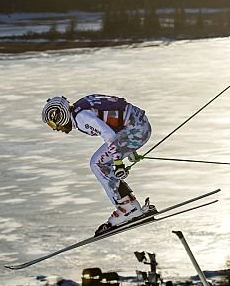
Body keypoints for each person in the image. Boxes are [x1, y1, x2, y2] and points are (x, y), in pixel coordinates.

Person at [41, 94, 155, 234]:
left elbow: (109, 135)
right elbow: (116, 118)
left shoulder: (81, 117)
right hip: (137, 126)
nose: (55, 128)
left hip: (136, 130)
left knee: (97, 163)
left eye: (53, 123)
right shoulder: (80, 109)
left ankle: (127, 208)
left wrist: (118, 162)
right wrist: (129, 150)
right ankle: (129, 205)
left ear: (61, 116)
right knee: (100, 162)